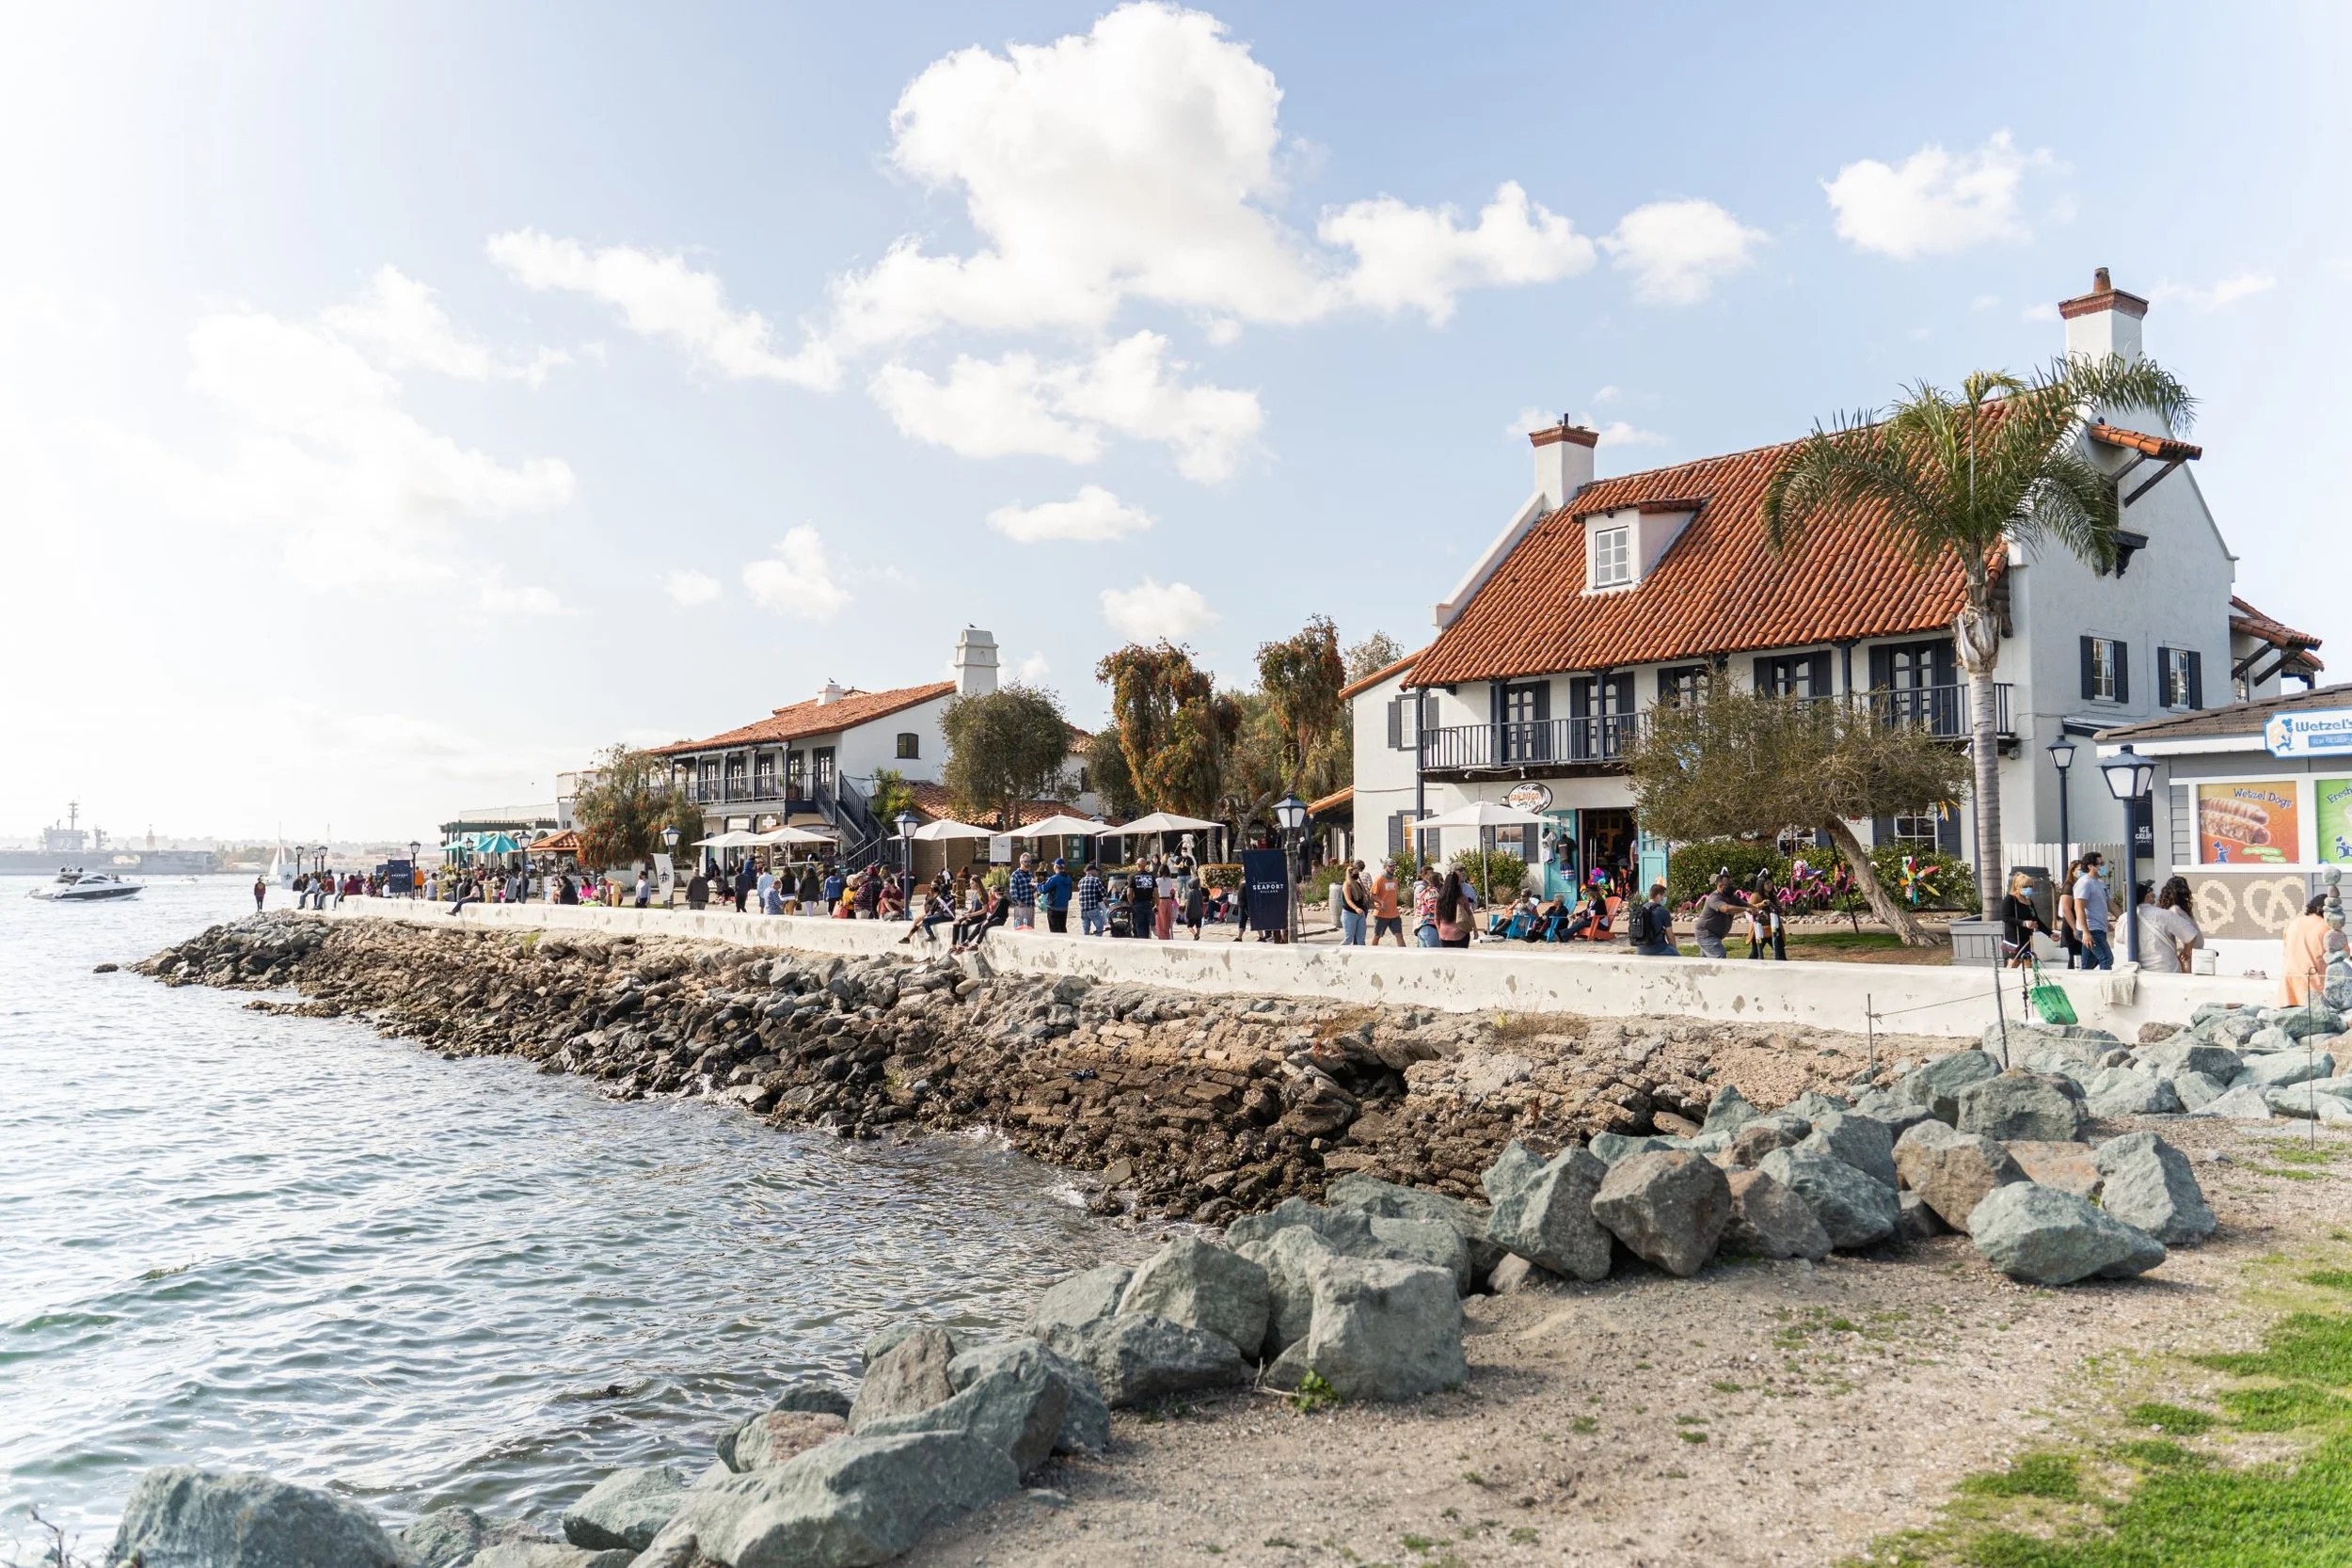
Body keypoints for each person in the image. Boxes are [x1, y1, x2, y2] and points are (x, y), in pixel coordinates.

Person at [2137, 877, 2202, 974]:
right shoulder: (2184, 911)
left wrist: (2185, 952)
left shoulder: (2174, 910)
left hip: (2185, 952)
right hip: (2196, 950)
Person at [2280, 894, 2331, 1005]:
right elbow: (2343, 951)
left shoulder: (2293, 923)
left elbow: (2286, 949)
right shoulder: (2326, 927)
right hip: (2312, 980)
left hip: (2289, 978)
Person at [1692, 871, 1752, 960]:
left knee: (1705, 962)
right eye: (1728, 885)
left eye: (1731, 884)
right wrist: (1745, 910)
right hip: (1706, 934)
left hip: (1715, 935)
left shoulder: (1732, 897)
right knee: (1719, 955)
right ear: (1720, 886)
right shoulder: (1714, 898)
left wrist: (1758, 908)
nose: (1731, 887)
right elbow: (1726, 909)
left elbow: (1747, 905)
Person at [2073, 853, 2115, 971]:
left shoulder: (2100, 883)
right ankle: (2105, 987)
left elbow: (2109, 904)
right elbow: (2079, 908)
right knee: (2106, 958)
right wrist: (2086, 932)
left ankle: (2082, 986)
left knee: (2088, 964)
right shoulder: (2084, 883)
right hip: (2091, 928)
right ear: (2091, 866)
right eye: (2100, 864)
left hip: (2099, 928)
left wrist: (2124, 918)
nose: (2103, 866)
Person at [2000, 870, 2042, 968]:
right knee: (2014, 962)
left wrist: (2050, 933)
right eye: (2025, 887)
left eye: (2031, 886)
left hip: (2026, 938)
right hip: (2014, 939)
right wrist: (2023, 923)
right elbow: (2005, 917)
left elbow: (2036, 919)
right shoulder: (2010, 899)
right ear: (2017, 886)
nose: (2029, 889)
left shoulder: (2028, 901)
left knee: (2028, 962)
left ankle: (2028, 981)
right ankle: (2005, 980)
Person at [1629, 881, 1677, 956]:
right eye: (1663, 896)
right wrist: (1674, 950)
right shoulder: (1663, 911)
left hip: (1640, 949)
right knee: (1677, 956)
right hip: (1658, 948)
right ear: (1658, 896)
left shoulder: (1640, 910)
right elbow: (1670, 936)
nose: (1664, 898)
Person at [2055, 859, 2086, 970]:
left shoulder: (2082, 885)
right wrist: (2074, 929)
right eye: (2079, 870)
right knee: (2075, 956)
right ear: (2072, 871)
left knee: (2083, 956)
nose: (2082, 872)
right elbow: (2066, 909)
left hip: (2080, 924)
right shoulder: (2069, 886)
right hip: (2072, 925)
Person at [1369, 862, 1405, 946]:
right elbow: (1371, 896)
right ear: (1385, 867)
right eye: (1390, 866)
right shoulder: (1379, 879)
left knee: (1399, 935)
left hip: (1394, 914)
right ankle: (1372, 953)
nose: (1393, 868)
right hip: (1381, 914)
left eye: (1394, 866)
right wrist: (1380, 902)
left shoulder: (1395, 880)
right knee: (1377, 936)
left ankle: (1404, 954)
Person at [1434, 869, 1471, 949]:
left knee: (1447, 959)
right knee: (1460, 959)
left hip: (1444, 933)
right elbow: (1469, 914)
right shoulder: (1462, 898)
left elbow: (1436, 918)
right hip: (1460, 932)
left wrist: (1439, 931)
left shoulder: (1440, 898)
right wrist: (1474, 930)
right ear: (1457, 883)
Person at [1339, 860, 1370, 945]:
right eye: (1356, 873)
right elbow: (1348, 900)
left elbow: (1363, 898)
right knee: (1348, 939)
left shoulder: (1358, 884)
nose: (1357, 875)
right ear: (1350, 874)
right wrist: (1356, 908)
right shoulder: (1347, 884)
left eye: (1358, 873)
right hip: (1350, 913)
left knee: (1361, 940)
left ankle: (1361, 957)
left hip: (1360, 913)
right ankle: (1337, 954)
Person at [1041, 858, 1073, 934]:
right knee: (1062, 929)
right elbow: (1069, 896)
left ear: (1055, 867)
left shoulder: (1054, 878)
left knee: (1054, 932)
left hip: (1053, 908)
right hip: (1064, 908)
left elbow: (1044, 890)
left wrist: (1037, 885)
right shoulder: (1068, 878)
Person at [1412, 866, 1441, 948]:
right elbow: (1434, 910)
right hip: (1430, 926)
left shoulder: (1424, 891)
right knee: (1434, 955)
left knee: (1425, 957)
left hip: (1422, 925)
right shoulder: (1433, 892)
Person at [1076, 862, 1106, 936]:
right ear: (1091, 871)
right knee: (1099, 927)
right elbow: (1103, 893)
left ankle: (1087, 942)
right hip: (1092, 908)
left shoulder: (1081, 881)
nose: (1097, 872)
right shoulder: (1096, 880)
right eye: (1096, 871)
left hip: (1083, 909)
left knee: (1086, 929)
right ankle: (1097, 942)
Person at [1008, 854, 1037, 931]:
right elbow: (1013, 890)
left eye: (1030, 862)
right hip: (1021, 906)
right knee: (1021, 929)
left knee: (1030, 929)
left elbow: (1033, 891)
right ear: (1021, 862)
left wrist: (1035, 885)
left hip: (1030, 904)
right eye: (1026, 862)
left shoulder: (1030, 874)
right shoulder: (1015, 875)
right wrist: (1018, 902)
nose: (1028, 864)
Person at [1129, 859, 1156, 940]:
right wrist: (1157, 904)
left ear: (1138, 865)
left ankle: (1142, 943)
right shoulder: (1151, 876)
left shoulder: (1132, 876)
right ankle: (1146, 940)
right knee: (1147, 926)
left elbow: (1129, 893)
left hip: (1137, 904)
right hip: (1148, 904)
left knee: (1139, 926)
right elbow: (1156, 892)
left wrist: (1131, 904)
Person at [1155, 857, 1177, 941]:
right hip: (1168, 900)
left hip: (1160, 900)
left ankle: (1162, 937)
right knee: (1168, 920)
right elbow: (1172, 891)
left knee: (1161, 920)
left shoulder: (1158, 880)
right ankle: (1167, 936)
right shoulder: (1170, 880)